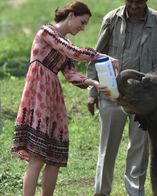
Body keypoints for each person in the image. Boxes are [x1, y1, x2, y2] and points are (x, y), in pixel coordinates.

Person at [11, 1, 118, 196]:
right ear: (71, 16)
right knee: (37, 157)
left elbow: (71, 74)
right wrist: (101, 56)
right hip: (38, 90)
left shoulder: (64, 43)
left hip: (53, 96)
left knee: (54, 157)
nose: (83, 27)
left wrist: (93, 84)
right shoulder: (47, 32)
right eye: (82, 22)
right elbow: (72, 51)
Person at [86, 0, 157, 195]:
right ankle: (101, 192)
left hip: (146, 101)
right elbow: (96, 56)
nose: (133, 6)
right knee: (107, 147)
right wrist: (92, 93)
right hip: (112, 94)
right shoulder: (111, 19)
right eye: (130, 1)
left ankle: (135, 192)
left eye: (139, 2)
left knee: (139, 150)